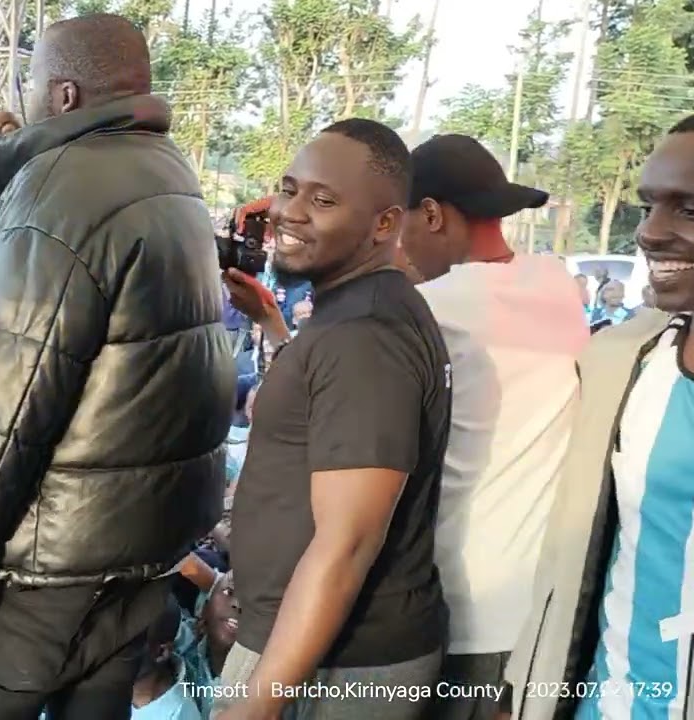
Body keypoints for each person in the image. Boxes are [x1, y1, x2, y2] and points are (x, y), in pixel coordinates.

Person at [0, 13, 234, 719]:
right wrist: (10, 182)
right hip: (127, 559)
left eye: (31, 81)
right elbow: (66, 306)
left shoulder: (65, 190)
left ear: (67, 96)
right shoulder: (162, 171)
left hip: (36, 576)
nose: (20, 95)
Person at [217, 119, 451, 720]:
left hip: (339, 665)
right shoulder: (352, 313)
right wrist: (272, 325)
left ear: (383, 224)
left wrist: (258, 703)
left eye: (322, 200)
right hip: (310, 649)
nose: (290, 212)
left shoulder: (365, 337)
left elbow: (347, 544)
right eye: (289, 189)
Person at [502, 115, 694, 719]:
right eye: (647, 207)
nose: (651, 233)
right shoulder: (623, 363)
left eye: (689, 210)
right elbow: (574, 557)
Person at [395, 134, 589, 720]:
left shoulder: (434, 306)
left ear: (431, 214)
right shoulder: (559, 284)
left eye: (401, 221)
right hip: (543, 604)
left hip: (463, 604)